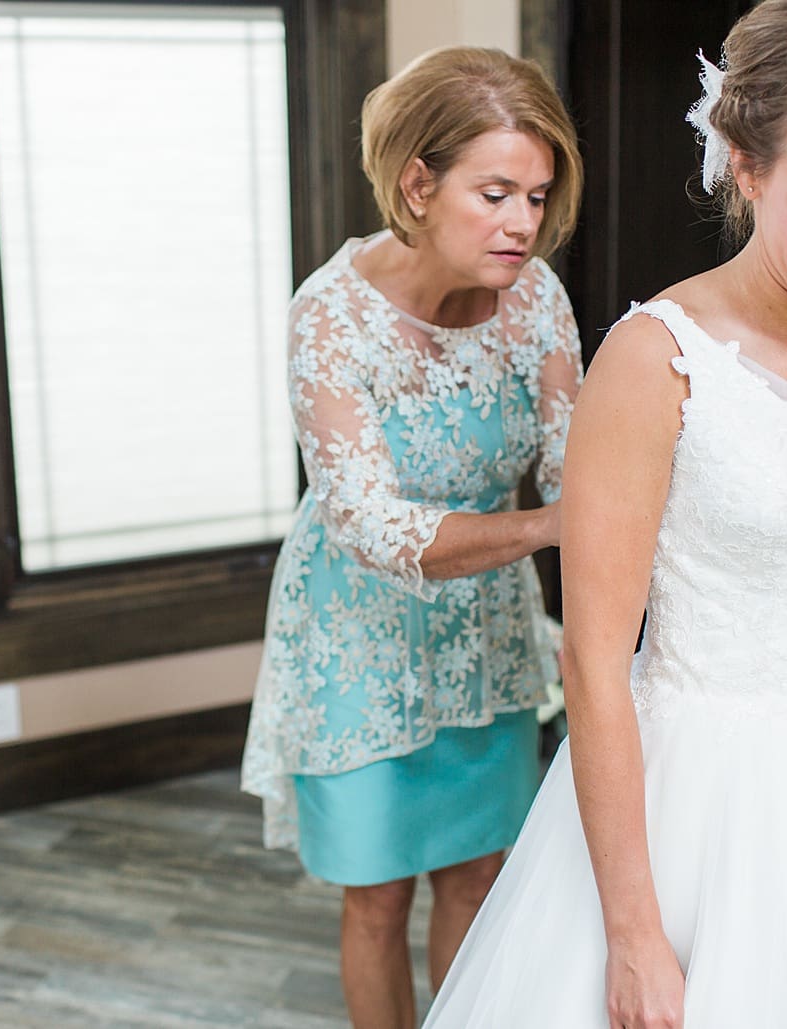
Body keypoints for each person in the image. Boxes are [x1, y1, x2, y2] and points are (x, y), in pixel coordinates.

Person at [424, 3, 787, 1027]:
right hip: (697, 795)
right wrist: (632, 933)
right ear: (743, 166)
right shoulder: (655, 360)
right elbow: (593, 663)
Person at [240, 46, 585, 1029]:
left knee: (478, 877)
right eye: (495, 194)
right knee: (379, 895)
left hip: (487, 634)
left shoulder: (537, 299)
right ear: (418, 184)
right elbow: (370, 524)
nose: (521, 223)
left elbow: (575, 463)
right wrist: (552, 526)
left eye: (535, 196)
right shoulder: (330, 316)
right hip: (358, 637)